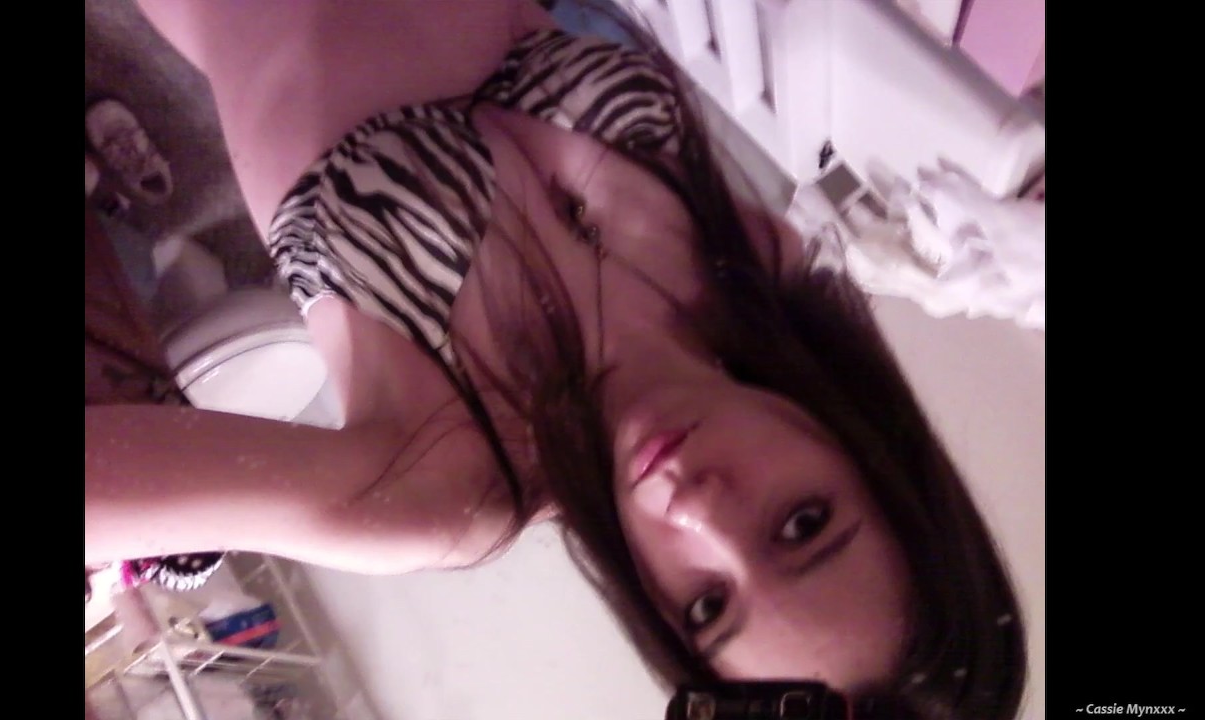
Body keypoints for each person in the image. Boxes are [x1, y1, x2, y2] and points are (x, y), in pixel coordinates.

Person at [85, 1, 1026, 716]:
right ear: (871, 452)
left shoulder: (448, 487)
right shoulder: (755, 264)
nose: (696, 509)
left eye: (705, 607)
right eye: (801, 523)